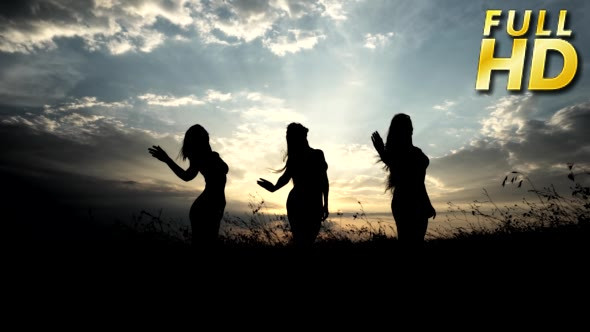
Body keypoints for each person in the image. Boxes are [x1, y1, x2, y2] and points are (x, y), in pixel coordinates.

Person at [148, 124, 228, 250]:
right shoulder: (200, 158)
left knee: (209, 243)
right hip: (206, 206)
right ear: (199, 140)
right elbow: (187, 176)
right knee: (203, 245)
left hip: (216, 203)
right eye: (202, 135)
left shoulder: (210, 155)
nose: (206, 136)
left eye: (205, 134)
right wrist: (167, 159)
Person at [257, 123, 329, 247]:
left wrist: (274, 188)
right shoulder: (315, 155)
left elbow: (286, 178)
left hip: (300, 200)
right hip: (309, 201)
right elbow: (324, 182)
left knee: (301, 241)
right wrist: (325, 204)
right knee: (306, 241)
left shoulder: (302, 156)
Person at [371, 114, 436, 245]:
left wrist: (427, 203)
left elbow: (419, 183)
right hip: (404, 201)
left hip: (418, 201)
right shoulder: (398, 154)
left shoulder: (416, 151)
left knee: (417, 242)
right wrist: (382, 153)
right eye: (407, 126)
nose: (411, 128)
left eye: (410, 125)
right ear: (400, 130)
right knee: (407, 242)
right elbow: (406, 176)